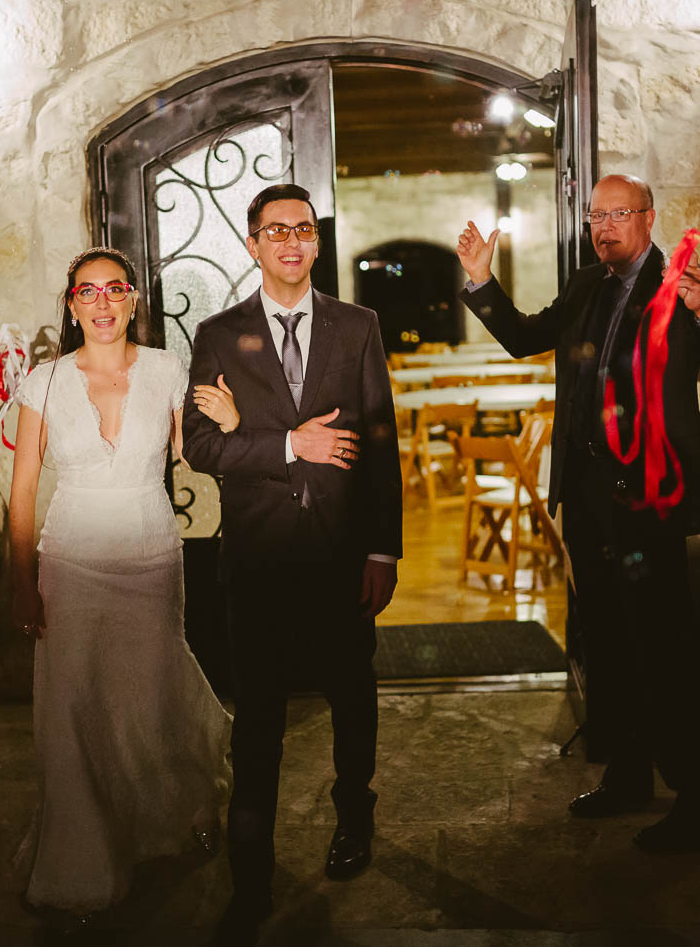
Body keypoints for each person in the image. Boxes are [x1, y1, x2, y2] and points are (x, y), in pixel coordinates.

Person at [456, 173, 700, 852]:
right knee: (609, 644)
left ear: (649, 219)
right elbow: (526, 337)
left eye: (618, 214)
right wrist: (480, 280)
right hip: (590, 493)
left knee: (665, 645)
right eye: (596, 215)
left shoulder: (684, 279)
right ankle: (628, 775)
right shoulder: (588, 283)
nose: (604, 226)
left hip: (650, 494)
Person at [181, 183, 402, 945]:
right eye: (276, 230)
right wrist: (285, 445)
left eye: (304, 229)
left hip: (342, 558)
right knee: (261, 723)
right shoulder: (217, 334)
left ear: (315, 241)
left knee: (352, 696)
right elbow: (201, 447)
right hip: (258, 561)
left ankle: (354, 817)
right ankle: (251, 872)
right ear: (253, 244)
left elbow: (379, 442)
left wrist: (381, 546)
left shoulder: (357, 325)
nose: (291, 242)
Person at [8, 248, 231, 917]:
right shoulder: (42, 383)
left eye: (114, 291)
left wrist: (233, 425)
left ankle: (172, 810)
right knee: (74, 710)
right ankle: (83, 865)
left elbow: (195, 457)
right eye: (87, 292)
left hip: (149, 554)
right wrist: (22, 581)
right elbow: (22, 492)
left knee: (151, 696)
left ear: (133, 300)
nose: (102, 303)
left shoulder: (168, 370)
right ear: (72, 305)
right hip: (69, 559)